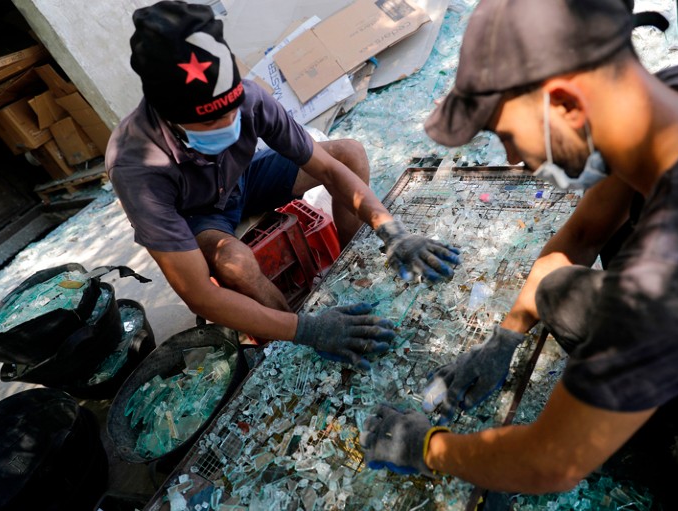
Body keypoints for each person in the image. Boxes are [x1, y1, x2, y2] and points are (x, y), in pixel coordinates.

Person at [359, 0, 678, 502]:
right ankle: (669, 400)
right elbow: (582, 235)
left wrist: (427, 446)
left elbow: (550, 464)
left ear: (568, 104)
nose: (512, 159)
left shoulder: (676, 268)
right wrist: (503, 342)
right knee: (558, 287)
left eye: (507, 134)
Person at [106, 1, 460, 370]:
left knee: (348, 154)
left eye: (232, 114)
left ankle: (350, 274)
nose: (229, 127)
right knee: (236, 263)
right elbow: (198, 294)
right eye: (211, 124)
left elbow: (328, 169)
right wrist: (310, 329)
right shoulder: (136, 165)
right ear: (171, 119)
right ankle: (300, 327)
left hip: (242, 180)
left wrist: (394, 233)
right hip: (199, 217)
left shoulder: (249, 99)